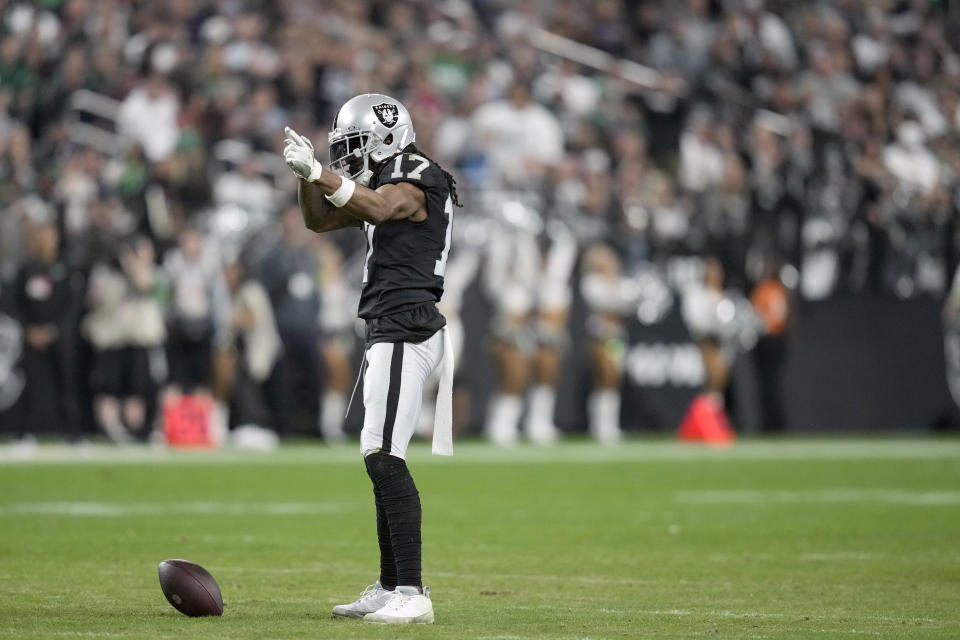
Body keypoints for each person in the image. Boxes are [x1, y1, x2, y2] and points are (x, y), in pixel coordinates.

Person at [282, 93, 459, 625]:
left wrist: (319, 169)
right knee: (379, 454)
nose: (346, 156)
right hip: (389, 326)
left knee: (384, 456)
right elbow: (318, 221)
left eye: (353, 146)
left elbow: (380, 207)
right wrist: (306, 174)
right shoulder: (380, 180)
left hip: (408, 324)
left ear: (386, 136)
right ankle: (390, 586)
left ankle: (412, 591)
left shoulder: (416, 172)